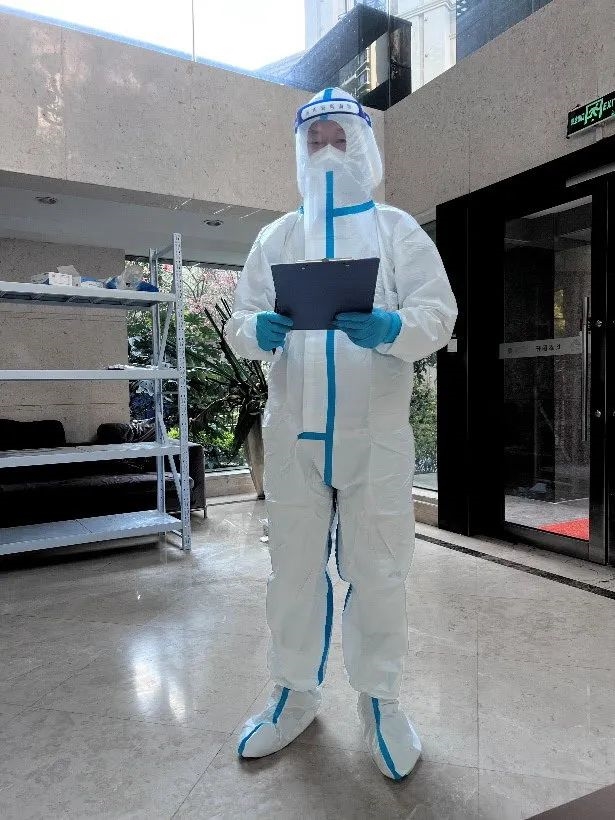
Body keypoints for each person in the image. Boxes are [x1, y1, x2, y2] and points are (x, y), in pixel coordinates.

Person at [225, 88, 457, 780]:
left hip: (374, 438)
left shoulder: (395, 230)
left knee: (379, 571)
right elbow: (240, 321)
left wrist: (392, 327)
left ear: (362, 145)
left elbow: (439, 313)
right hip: (293, 436)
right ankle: (293, 694)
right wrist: (257, 332)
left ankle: (381, 701)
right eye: (314, 139)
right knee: (293, 573)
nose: (327, 151)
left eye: (338, 138)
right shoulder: (277, 238)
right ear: (300, 150)